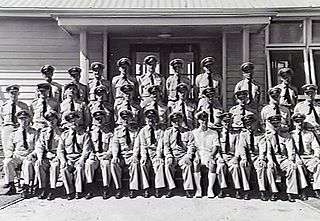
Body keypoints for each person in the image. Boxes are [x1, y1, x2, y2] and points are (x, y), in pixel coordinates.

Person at [259, 114, 299, 202]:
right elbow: (268, 151)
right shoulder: (268, 136)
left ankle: (290, 192)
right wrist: (270, 161)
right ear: (271, 124)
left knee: (291, 167)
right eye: (274, 124)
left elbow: (290, 149)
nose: (276, 126)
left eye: (277, 123)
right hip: (272, 158)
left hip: (283, 158)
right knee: (270, 168)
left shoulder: (286, 135)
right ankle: (274, 192)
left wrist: (291, 160)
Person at [57, 111, 92, 200]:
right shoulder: (64, 135)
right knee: (64, 169)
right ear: (68, 123)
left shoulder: (84, 134)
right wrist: (63, 160)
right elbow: (60, 150)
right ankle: (69, 191)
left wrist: (82, 160)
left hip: (79, 157)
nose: (74, 123)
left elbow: (86, 149)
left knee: (79, 168)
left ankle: (79, 191)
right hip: (68, 158)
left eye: (75, 121)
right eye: (71, 121)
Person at [3, 110, 38, 198]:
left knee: (27, 164)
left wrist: (32, 154)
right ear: (18, 120)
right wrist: (9, 156)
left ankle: (25, 187)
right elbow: (9, 148)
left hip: (29, 155)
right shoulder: (14, 133)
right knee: (7, 162)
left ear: (29, 119)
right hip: (17, 155)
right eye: (21, 119)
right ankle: (11, 185)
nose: (23, 121)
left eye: (25, 118)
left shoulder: (34, 132)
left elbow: (38, 147)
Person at [192, 111, 224, 198]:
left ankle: (210, 189)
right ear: (198, 121)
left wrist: (211, 156)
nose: (204, 122)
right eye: (202, 120)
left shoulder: (213, 133)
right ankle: (199, 190)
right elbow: (193, 146)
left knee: (212, 164)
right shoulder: (194, 132)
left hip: (210, 153)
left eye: (205, 120)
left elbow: (216, 146)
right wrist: (196, 155)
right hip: (199, 153)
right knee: (196, 164)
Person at [163, 111, 195, 198]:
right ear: (171, 122)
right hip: (172, 155)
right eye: (174, 121)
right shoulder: (168, 132)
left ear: (182, 120)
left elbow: (191, 146)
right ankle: (171, 188)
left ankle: (188, 189)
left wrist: (188, 156)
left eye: (178, 120)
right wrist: (169, 156)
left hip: (183, 155)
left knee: (187, 165)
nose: (176, 123)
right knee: (168, 165)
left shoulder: (188, 132)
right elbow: (166, 146)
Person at [84, 109, 113, 200]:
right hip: (95, 154)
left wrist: (108, 154)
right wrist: (92, 154)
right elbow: (88, 146)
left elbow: (112, 147)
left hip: (104, 155)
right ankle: (90, 188)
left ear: (105, 119)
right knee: (89, 163)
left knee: (105, 164)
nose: (99, 121)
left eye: (101, 119)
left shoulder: (109, 133)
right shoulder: (91, 133)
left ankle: (106, 187)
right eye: (97, 119)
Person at [111, 109, 140, 199]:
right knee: (114, 163)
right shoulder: (117, 131)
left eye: (127, 118)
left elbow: (137, 145)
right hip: (122, 155)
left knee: (134, 164)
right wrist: (115, 156)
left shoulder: (136, 130)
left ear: (131, 118)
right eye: (123, 119)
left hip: (132, 154)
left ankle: (133, 188)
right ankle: (118, 188)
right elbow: (115, 144)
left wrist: (135, 155)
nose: (125, 121)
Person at [290, 113, 320, 199]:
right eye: (297, 121)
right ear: (294, 123)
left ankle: (317, 189)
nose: (299, 123)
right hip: (297, 157)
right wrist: (296, 158)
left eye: (301, 121)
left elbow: (316, 147)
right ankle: (303, 190)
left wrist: (316, 157)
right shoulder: (291, 135)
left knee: (318, 165)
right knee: (299, 166)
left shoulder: (309, 134)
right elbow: (291, 149)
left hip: (309, 157)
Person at [237, 114, 266, 200]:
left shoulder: (261, 135)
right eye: (247, 124)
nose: (249, 126)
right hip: (248, 156)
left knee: (261, 166)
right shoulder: (243, 134)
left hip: (257, 156)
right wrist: (244, 158)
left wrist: (261, 158)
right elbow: (241, 147)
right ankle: (246, 190)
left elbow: (262, 148)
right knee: (243, 164)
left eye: (251, 124)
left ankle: (262, 191)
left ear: (255, 124)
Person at [34, 110, 62, 200]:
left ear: (57, 120)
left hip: (57, 156)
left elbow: (63, 147)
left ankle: (52, 189)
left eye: (53, 119)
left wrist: (57, 157)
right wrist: (40, 157)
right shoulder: (43, 132)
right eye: (49, 120)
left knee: (54, 165)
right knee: (39, 164)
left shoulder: (62, 132)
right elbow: (39, 146)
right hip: (46, 156)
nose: (51, 121)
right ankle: (43, 188)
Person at [138, 108, 166, 198]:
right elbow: (143, 145)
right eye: (149, 118)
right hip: (147, 152)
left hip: (156, 152)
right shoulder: (143, 131)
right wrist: (144, 156)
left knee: (159, 164)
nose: (151, 120)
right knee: (143, 164)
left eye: (153, 117)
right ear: (146, 119)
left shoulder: (160, 130)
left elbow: (160, 145)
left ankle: (158, 188)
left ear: (156, 118)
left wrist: (158, 156)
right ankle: (146, 188)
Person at [217, 112, 242, 199]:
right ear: (221, 122)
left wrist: (236, 157)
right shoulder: (218, 133)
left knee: (234, 167)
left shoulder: (235, 133)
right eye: (225, 121)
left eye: (229, 121)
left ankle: (237, 189)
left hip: (232, 156)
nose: (227, 124)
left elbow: (238, 146)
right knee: (220, 166)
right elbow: (217, 147)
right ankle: (222, 188)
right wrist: (219, 157)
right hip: (222, 155)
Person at [0, 85, 29, 158]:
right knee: (7, 150)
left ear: (18, 93)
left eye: (16, 92)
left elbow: (28, 118)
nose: (14, 94)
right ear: (9, 94)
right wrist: (3, 129)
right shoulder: (4, 106)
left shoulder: (23, 106)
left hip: (19, 128)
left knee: (21, 148)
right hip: (8, 129)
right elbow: (1, 120)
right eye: (12, 93)